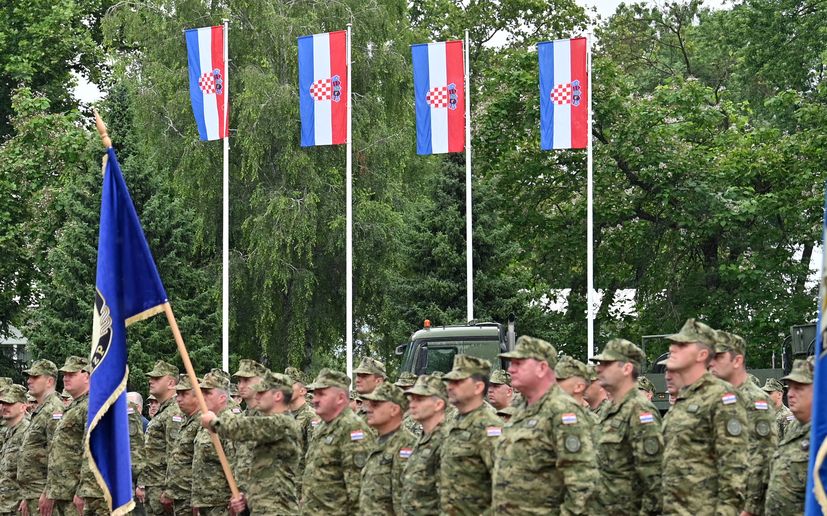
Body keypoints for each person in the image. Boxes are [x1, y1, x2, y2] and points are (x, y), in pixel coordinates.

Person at [492, 336, 598, 514]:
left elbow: (583, 487)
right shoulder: (521, 410)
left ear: (542, 368)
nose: (511, 369)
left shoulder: (562, 411)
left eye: (519, 363)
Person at [662, 319, 749, 515]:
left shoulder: (721, 396)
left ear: (702, 355)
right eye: (674, 343)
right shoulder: (684, 397)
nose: (673, 348)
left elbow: (734, 469)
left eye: (683, 344)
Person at [203, 371, 302, 515]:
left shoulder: (283, 423)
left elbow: (243, 428)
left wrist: (214, 422)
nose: (257, 396)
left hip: (278, 509)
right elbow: (266, 473)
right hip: (262, 508)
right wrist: (248, 496)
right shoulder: (272, 426)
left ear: (278, 396)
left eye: (262, 392)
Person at [591, 339, 663, 515]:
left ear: (626, 368)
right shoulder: (610, 409)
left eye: (607, 364)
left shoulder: (640, 411)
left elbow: (654, 480)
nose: (599, 369)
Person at [710, 330, 777, 515]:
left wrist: (750, 508)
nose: (711, 362)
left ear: (737, 361)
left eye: (718, 356)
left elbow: (763, 456)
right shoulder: (720, 397)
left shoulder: (756, 401)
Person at [301, 368, 374, 515]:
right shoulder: (323, 426)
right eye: (314, 394)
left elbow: (359, 493)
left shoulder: (352, 429)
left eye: (321, 394)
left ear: (340, 398)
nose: (315, 399)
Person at [439, 355, 502, 514]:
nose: (450, 387)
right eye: (449, 382)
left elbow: (506, 488)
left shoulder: (489, 427)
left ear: (478, 387)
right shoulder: (453, 423)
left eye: (458, 382)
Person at [764, 357, 813, 514]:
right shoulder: (795, 426)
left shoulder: (821, 435)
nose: (790, 394)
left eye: (798, 388)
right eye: (790, 388)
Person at [43, 356, 90, 516]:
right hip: (61, 491)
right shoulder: (73, 407)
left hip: (75, 492)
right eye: (64, 374)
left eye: (72, 374)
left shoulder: (90, 406)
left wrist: (84, 490)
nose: (66, 378)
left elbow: (90, 451)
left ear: (87, 375)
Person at [359, 383, 416, 514]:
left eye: (376, 404)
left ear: (394, 410)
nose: (368, 409)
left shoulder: (405, 445)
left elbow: (404, 502)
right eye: (369, 403)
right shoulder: (378, 441)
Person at [16, 359, 62, 516]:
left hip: (44, 493)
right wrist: (27, 496)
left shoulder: (54, 409)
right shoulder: (42, 409)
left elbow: (57, 454)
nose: (29, 381)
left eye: (35, 377)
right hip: (33, 492)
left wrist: (49, 492)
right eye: (29, 377)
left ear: (49, 381)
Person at [137, 360, 182, 516]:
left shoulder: (174, 412)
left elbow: (176, 453)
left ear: (170, 383)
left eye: (157, 378)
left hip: (162, 489)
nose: (151, 381)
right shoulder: (163, 412)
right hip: (153, 487)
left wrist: (170, 490)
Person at [400, 374, 449, 515]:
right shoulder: (422, 440)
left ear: (438, 404)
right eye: (412, 398)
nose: (412, 404)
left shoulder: (446, 440)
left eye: (420, 399)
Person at [191, 370, 236, 516]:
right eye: (201, 392)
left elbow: (237, 464)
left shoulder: (228, 422)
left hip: (222, 504)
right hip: (205, 502)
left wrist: (236, 498)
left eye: (208, 393)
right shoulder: (207, 420)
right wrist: (196, 500)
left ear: (222, 397)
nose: (202, 397)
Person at [159, 374, 199, 516]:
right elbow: (177, 458)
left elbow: (202, 463)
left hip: (191, 496)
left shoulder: (202, 423)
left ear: (197, 396)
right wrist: (169, 489)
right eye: (178, 394)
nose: (179, 399)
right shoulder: (186, 422)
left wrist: (197, 499)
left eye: (184, 394)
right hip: (179, 495)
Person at [230, 358, 267, 498]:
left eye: (247, 380)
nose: (241, 385)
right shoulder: (240, 419)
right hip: (241, 498)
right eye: (239, 381)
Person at [0, 385, 31, 514]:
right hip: (5, 503)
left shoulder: (28, 432)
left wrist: (27, 497)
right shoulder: (9, 431)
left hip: (17, 505)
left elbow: (33, 469)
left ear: (23, 407)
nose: (5, 407)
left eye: (10, 403)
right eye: (3, 403)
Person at [354, 357, 387, 421]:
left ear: (378, 381)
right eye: (358, 375)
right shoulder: (361, 411)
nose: (357, 380)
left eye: (364, 376)